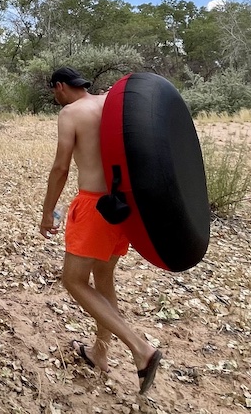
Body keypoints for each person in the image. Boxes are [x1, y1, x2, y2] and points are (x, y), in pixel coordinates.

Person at [39, 66, 163, 396]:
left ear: (61, 87)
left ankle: (141, 349)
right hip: (121, 208)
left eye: (55, 92)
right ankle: (100, 352)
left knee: (73, 280)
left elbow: (61, 167)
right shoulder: (112, 103)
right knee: (104, 279)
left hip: (94, 206)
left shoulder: (70, 113)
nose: (56, 98)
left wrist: (48, 211)